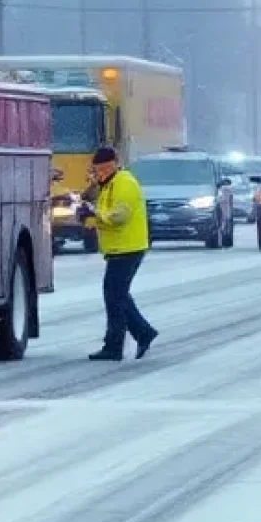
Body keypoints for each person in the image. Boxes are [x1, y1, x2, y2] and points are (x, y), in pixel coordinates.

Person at [80, 147, 158, 362]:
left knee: (114, 296)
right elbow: (103, 211)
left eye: (102, 170)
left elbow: (119, 216)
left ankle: (116, 346)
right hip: (119, 249)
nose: (99, 174)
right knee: (118, 295)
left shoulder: (124, 183)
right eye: (97, 171)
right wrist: (88, 216)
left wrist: (95, 214)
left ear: (112, 165)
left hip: (128, 248)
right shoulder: (110, 184)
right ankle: (142, 333)